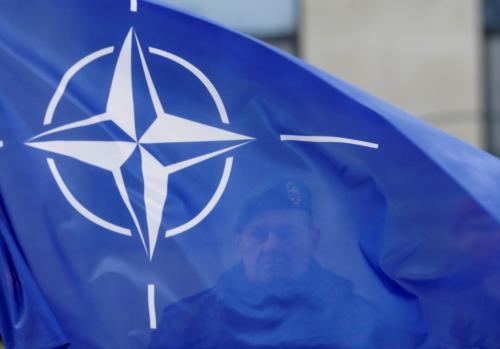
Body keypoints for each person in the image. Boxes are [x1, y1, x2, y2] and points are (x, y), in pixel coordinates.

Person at [149, 179, 410, 348]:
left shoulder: (363, 320)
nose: (272, 246)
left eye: (287, 234)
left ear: (313, 239)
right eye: (258, 234)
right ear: (239, 243)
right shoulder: (187, 324)